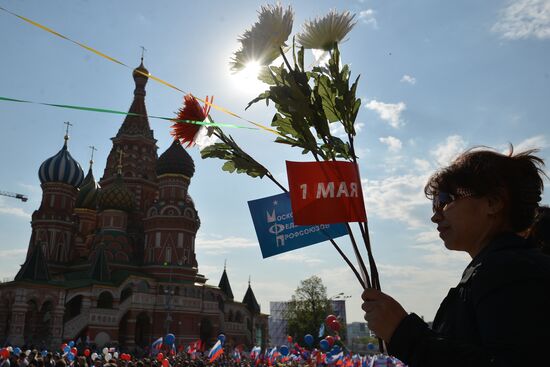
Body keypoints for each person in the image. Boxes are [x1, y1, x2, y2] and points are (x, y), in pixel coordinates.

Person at [361, 147, 550, 366]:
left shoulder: (510, 271)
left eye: (444, 200)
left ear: (493, 203)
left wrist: (403, 333)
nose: (435, 216)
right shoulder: (500, 267)